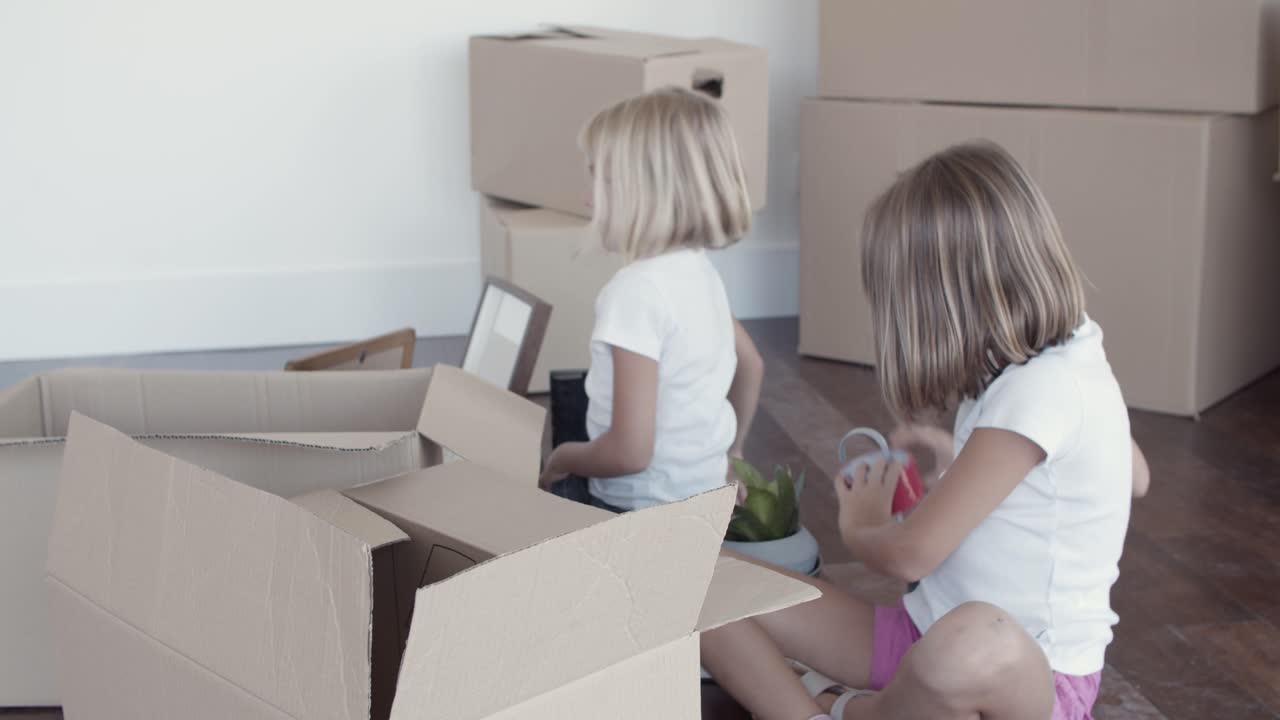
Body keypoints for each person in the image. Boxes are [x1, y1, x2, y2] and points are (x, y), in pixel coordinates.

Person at [702, 142, 1150, 720]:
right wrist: (967, 457)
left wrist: (862, 522)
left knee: (974, 639)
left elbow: (911, 555)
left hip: (1025, 681)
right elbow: (1132, 475)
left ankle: (864, 711)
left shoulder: (1045, 388)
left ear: (937, 303)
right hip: (922, 634)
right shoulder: (1067, 349)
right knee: (703, 582)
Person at [538, 87, 763, 512]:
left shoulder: (634, 292)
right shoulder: (700, 271)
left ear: (647, 192)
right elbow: (752, 364)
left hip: (638, 512)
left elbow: (628, 453)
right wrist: (733, 454)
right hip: (702, 500)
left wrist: (563, 456)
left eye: (599, 179)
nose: (588, 198)